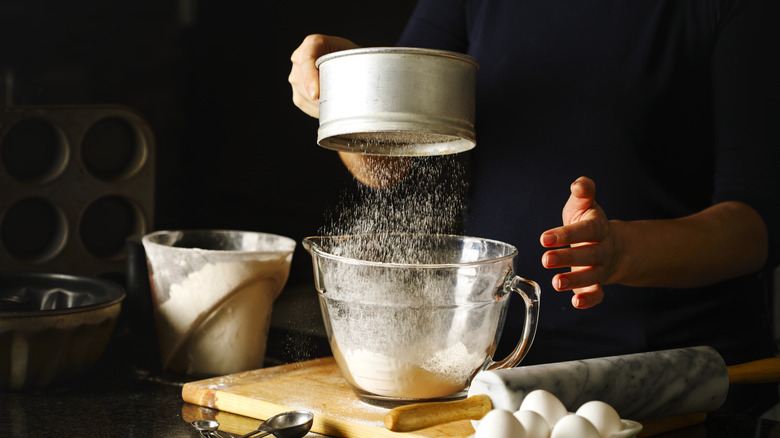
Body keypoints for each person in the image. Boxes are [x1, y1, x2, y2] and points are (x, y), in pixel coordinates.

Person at [289, 0, 780, 413]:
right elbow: (386, 166)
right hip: (494, 380)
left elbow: (757, 225)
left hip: (679, 383)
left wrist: (622, 251)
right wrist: (353, 95)